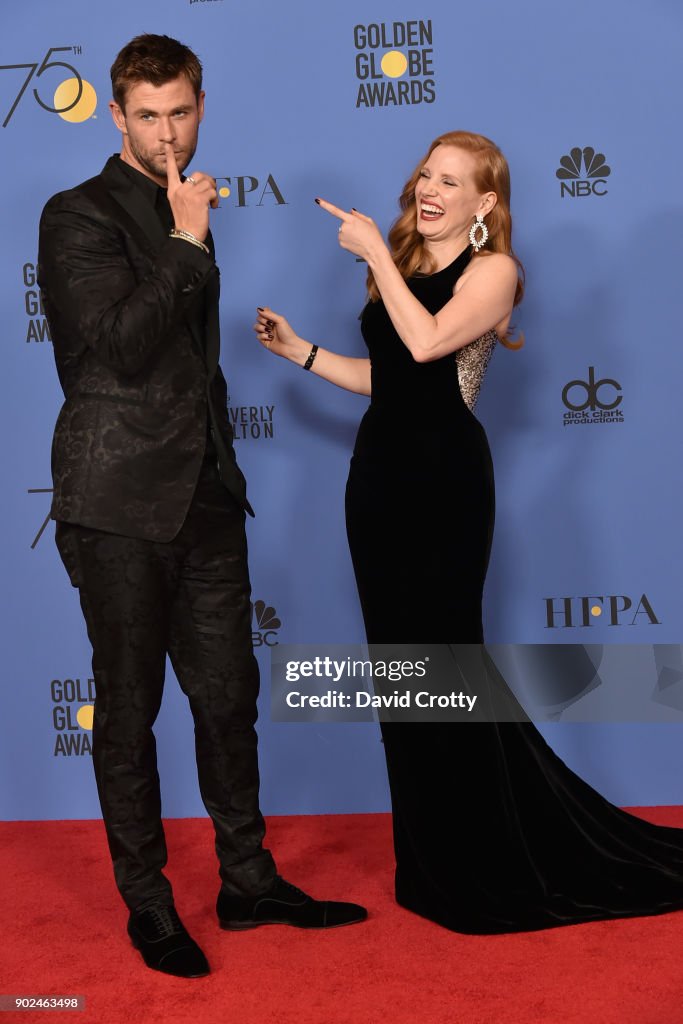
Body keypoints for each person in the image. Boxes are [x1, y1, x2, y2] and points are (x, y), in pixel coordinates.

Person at [254, 130, 683, 933]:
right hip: (377, 482)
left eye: (451, 181)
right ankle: (431, 860)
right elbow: (390, 380)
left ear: (485, 203)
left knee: (444, 668)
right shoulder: (410, 267)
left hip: (442, 487)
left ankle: (482, 858)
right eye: (424, 174)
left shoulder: (494, 273)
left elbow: (427, 345)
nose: (431, 190)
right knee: (404, 677)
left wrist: (374, 256)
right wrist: (301, 352)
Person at [37, 33, 366, 979]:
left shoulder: (187, 202)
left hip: (207, 495)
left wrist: (188, 234)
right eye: (147, 115)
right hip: (115, 502)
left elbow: (187, 365)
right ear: (117, 116)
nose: (166, 131)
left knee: (228, 700)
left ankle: (248, 882)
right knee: (131, 709)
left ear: (201, 105)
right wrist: (185, 236)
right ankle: (149, 906)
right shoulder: (76, 214)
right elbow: (119, 351)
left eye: (180, 110)